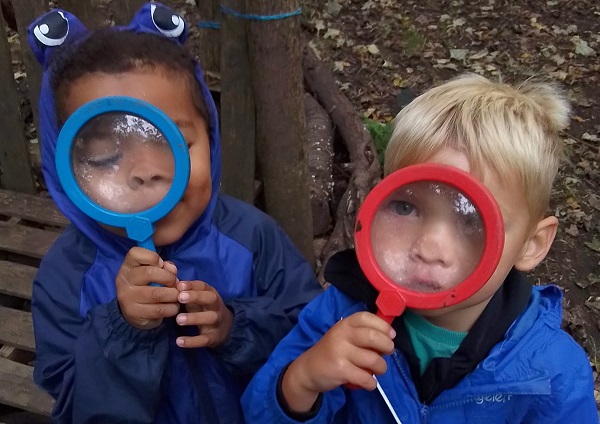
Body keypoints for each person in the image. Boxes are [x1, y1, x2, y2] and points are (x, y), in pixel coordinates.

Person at [241, 73, 599, 423]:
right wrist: (302, 381)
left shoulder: (552, 373)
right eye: (406, 207)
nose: (429, 248)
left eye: (472, 219)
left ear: (531, 245)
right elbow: (259, 411)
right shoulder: (340, 313)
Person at [27, 3, 322, 423]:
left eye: (177, 144)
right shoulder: (64, 277)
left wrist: (233, 327)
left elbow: (310, 338)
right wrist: (124, 332)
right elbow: (76, 406)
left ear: (212, 138)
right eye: (106, 157)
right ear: (65, 170)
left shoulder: (254, 238)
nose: (147, 173)